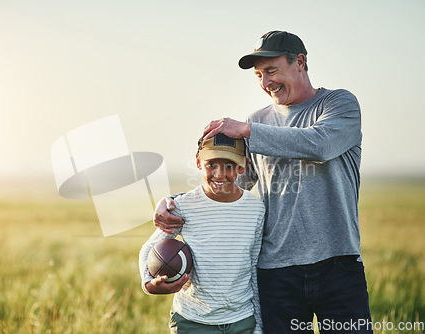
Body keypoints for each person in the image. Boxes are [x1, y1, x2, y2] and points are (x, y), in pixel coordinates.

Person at [154, 31, 373, 333]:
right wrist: (175, 202)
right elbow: (233, 184)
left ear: (300, 62)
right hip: (276, 272)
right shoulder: (257, 120)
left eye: (271, 71)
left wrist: (246, 130)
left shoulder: (338, 104)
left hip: (338, 264)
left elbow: (319, 145)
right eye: (259, 75)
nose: (265, 82)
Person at [139, 133, 265, 334]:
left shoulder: (256, 209)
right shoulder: (182, 206)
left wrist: (258, 327)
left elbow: (253, 268)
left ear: (243, 166)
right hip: (193, 321)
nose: (219, 174)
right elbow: (148, 248)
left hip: (242, 321)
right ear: (198, 161)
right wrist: (149, 284)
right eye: (211, 164)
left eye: (229, 166)